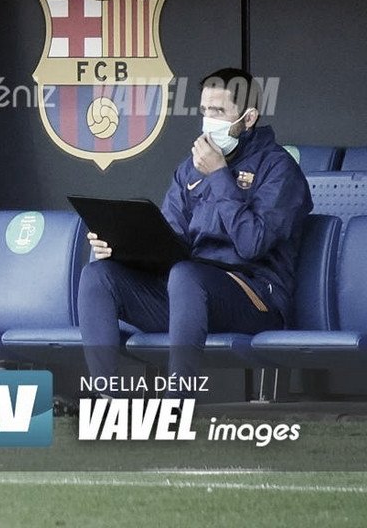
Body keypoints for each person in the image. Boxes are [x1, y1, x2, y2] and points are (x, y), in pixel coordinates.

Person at [78, 68, 312, 394]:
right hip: (188, 295)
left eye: (218, 112)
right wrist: (122, 248)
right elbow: (170, 243)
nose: (208, 121)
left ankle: (178, 400)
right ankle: (108, 397)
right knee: (98, 275)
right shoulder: (189, 169)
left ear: (248, 118)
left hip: (254, 299)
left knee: (188, 276)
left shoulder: (279, 168)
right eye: (204, 111)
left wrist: (219, 175)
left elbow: (251, 244)